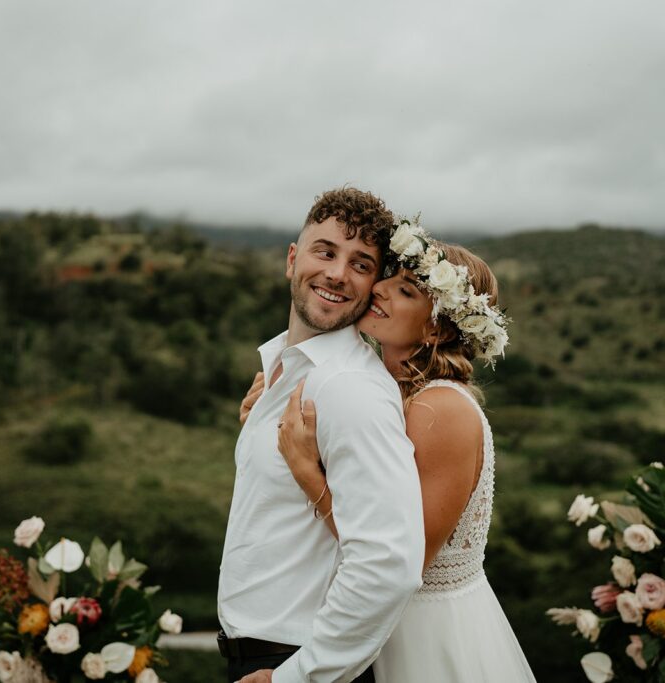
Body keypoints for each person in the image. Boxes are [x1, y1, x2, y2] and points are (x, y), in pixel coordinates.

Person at [243, 218, 536, 681]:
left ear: (437, 330)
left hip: (427, 633)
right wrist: (271, 421)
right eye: (387, 281)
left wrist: (307, 473)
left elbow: (400, 556)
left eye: (405, 292)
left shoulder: (441, 410)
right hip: (375, 627)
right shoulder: (387, 398)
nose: (378, 291)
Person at [218, 188, 425, 683]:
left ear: (375, 284)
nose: (337, 273)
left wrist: (297, 677)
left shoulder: (351, 388)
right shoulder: (283, 373)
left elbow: (389, 562)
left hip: (296, 663)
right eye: (325, 251)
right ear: (293, 259)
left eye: (360, 263)